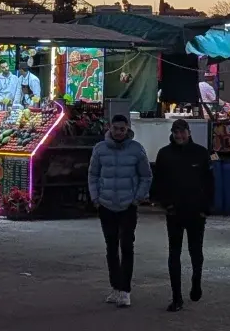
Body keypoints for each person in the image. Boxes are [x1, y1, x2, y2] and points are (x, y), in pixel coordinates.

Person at [89, 114, 152, 308]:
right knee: (111, 247)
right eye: (115, 128)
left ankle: (125, 290)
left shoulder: (136, 150)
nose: (118, 132)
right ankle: (115, 287)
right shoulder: (99, 149)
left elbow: (146, 176)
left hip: (127, 206)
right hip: (106, 205)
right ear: (110, 128)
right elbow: (93, 174)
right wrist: (96, 198)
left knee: (126, 246)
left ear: (128, 129)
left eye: (122, 129)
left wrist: (137, 198)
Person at [150, 119, 213, 312]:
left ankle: (196, 281)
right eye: (176, 133)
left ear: (189, 132)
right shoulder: (165, 154)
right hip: (174, 212)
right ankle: (176, 297)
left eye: (182, 132)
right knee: (174, 254)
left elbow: (210, 183)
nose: (179, 136)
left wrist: (206, 208)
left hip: (196, 212)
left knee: (196, 252)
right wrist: (165, 204)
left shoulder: (201, 153)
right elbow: (158, 182)